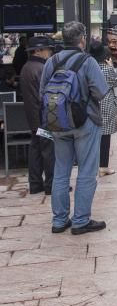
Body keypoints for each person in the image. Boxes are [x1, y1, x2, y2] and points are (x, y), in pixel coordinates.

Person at [40, 21, 108, 235]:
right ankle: (80, 221)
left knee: (61, 171)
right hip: (85, 121)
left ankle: (59, 220)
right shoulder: (88, 62)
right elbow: (101, 92)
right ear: (82, 39)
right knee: (87, 172)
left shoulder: (52, 61)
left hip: (58, 121)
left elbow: (42, 91)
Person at [21, 36, 55, 195]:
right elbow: (47, 95)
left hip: (33, 118)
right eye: (47, 49)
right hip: (43, 118)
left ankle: (35, 184)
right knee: (48, 151)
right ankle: (51, 185)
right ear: (38, 50)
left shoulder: (27, 67)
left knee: (35, 150)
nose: (50, 52)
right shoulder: (41, 68)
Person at [88, 38, 117, 178]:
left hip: (92, 104)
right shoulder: (106, 68)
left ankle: (93, 165)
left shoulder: (88, 68)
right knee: (105, 137)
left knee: (93, 136)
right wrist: (112, 66)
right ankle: (103, 167)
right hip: (106, 104)